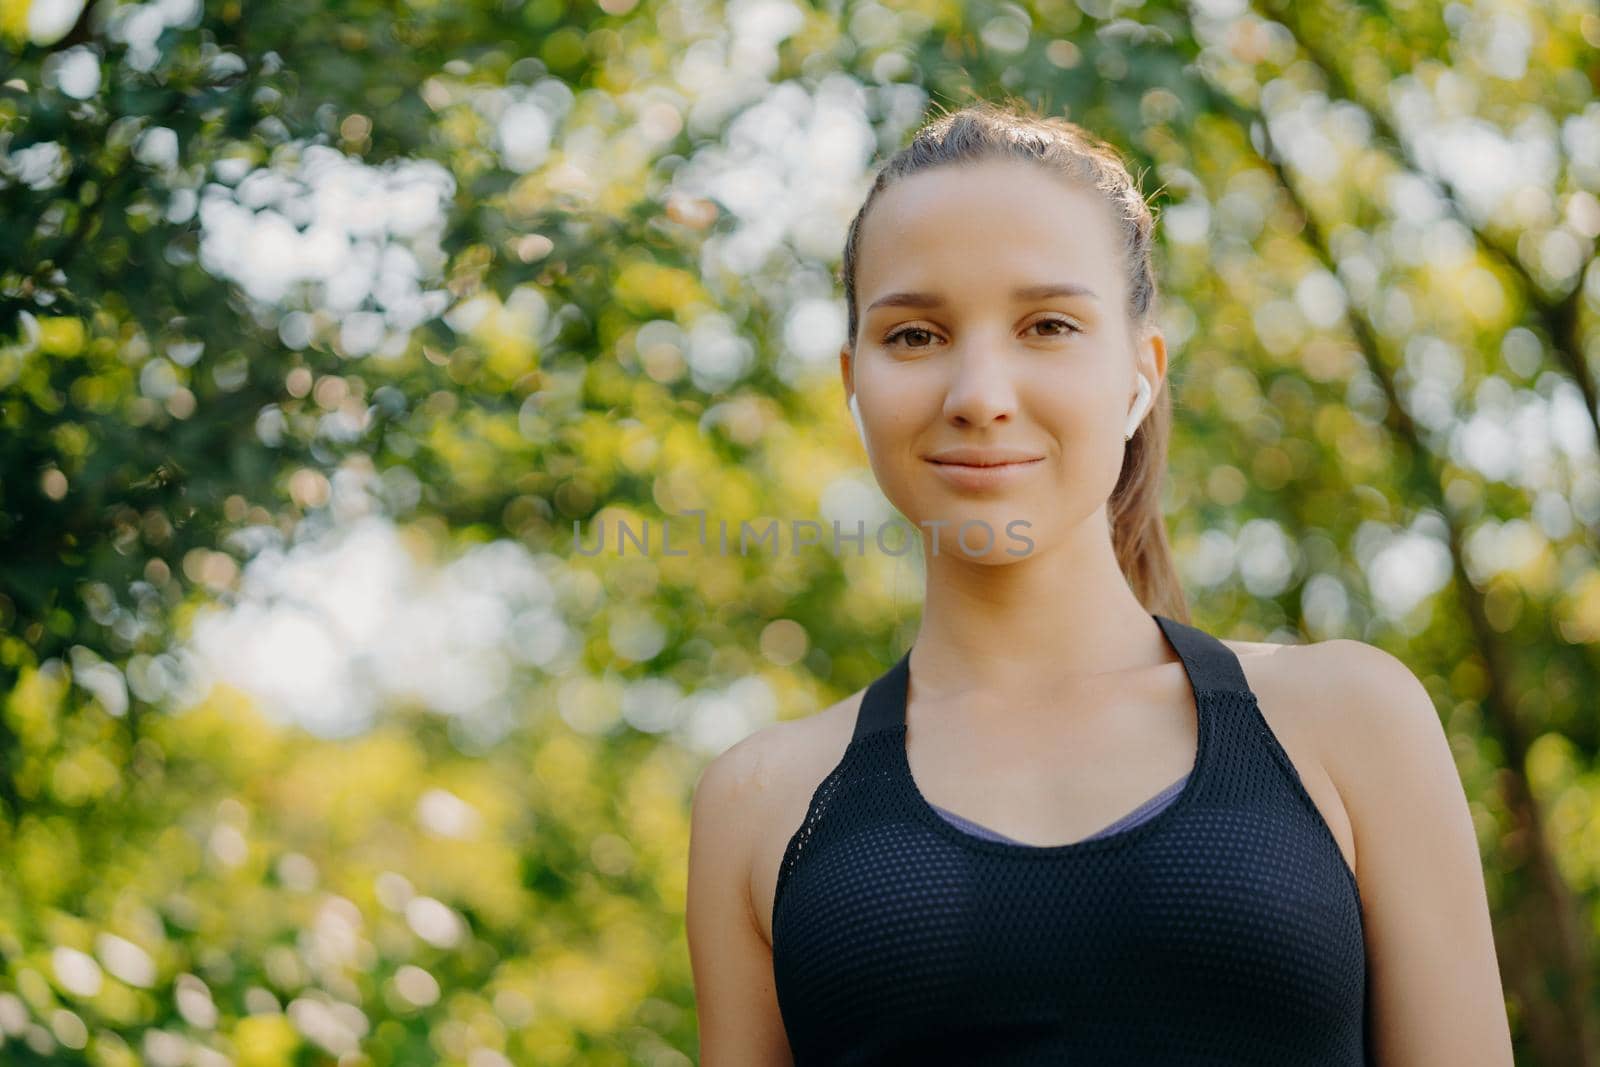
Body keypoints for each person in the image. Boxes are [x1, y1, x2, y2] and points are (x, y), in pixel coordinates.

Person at [686, 98, 1511, 1065]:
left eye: (1046, 324)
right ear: (853, 382)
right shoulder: (761, 802)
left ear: (1140, 375)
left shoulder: (1350, 721)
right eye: (914, 335)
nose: (980, 397)